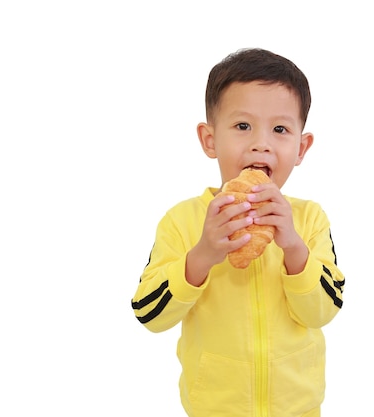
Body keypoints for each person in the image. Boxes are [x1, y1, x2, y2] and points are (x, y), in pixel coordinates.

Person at [131, 48, 345, 417]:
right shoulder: (182, 221)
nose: (261, 143)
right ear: (210, 140)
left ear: (301, 147)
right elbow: (149, 313)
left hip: (298, 409)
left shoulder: (309, 219)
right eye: (243, 126)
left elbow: (324, 311)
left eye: (280, 129)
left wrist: (293, 247)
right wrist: (202, 255)